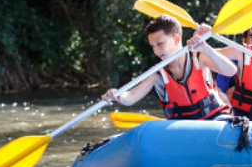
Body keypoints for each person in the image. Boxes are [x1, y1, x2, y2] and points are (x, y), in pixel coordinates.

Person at [101, 14, 237, 120]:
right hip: (185, 130)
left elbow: (231, 71)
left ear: (176, 39)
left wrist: (207, 49)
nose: (156, 50)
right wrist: (117, 95)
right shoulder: (158, 74)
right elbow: (130, 98)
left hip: (216, 121)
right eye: (153, 46)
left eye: (160, 43)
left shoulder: (199, 57)